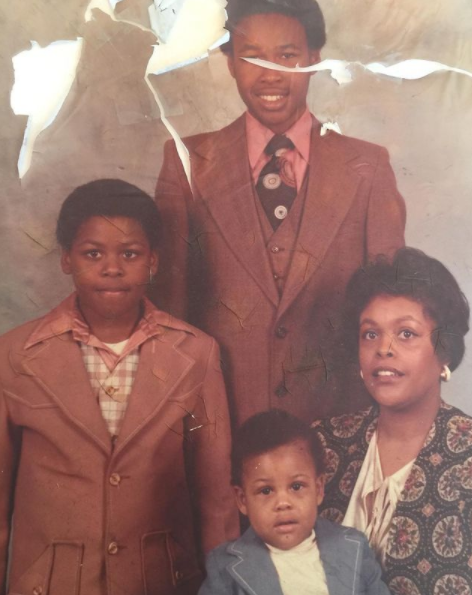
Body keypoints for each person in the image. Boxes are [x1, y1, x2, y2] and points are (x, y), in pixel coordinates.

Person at [154, 0, 406, 428]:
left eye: (287, 56)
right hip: (221, 426)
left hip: (338, 426)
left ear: (314, 60)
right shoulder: (186, 162)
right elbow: (168, 317)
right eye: (251, 55)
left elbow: (392, 313)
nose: (270, 74)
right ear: (230, 61)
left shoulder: (368, 167)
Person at [0, 179, 238, 595]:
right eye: (93, 254)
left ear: (153, 261)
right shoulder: (14, 355)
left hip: (161, 581)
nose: (112, 268)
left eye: (130, 253)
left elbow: (217, 501)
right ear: (66, 259)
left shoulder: (197, 353)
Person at [312, 247, 472, 595]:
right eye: (370, 334)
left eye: (406, 334)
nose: (383, 348)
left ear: (443, 350)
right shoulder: (322, 444)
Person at [199, 409, 390, 594]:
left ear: (319, 488)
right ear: (242, 500)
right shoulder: (224, 567)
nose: (283, 503)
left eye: (296, 486)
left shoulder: (352, 546)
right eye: (266, 491)